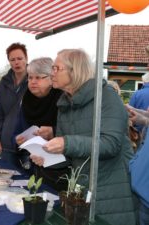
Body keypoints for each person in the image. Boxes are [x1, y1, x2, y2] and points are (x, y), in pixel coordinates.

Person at [30, 49, 137, 225]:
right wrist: (49, 157)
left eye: (57, 68)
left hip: (113, 188)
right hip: (84, 189)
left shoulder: (106, 97)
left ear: (75, 70)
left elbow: (111, 144)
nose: (52, 73)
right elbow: (72, 154)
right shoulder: (65, 104)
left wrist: (66, 143)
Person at [13, 57, 69, 191]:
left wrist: (53, 132)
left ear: (51, 78)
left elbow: (74, 132)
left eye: (38, 77)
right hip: (32, 165)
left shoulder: (64, 100)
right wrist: (17, 140)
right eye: (30, 77)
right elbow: (17, 131)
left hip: (60, 170)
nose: (32, 82)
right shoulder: (26, 100)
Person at [0, 42, 28, 166]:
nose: (16, 62)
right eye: (12, 59)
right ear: (9, 62)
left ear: (26, 59)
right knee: (7, 176)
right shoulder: (5, 82)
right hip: (7, 142)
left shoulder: (34, 79)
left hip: (28, 142)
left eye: (19, 58)